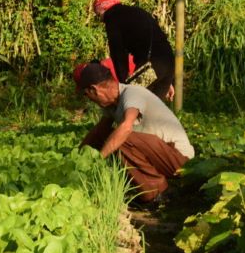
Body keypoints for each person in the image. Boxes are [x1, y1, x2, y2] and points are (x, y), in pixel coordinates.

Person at [74, 62, 194, 204]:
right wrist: (76, 157)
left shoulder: (132, 94)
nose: (89, 100)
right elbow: (98, 132)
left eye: (86, 95)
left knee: (122, 137)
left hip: (181, 161)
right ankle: (145, 185)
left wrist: (99, 159)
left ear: (94, 90)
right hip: (162, 154)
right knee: (106, 135)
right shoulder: (112, 105)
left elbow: (126, 127)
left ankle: (156, 192)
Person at [94, 0, 175, 100]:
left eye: (99, 15)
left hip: (151, 67)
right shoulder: (137, 12)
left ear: (103, 9)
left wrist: (124, 82)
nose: (102, 20)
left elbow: (118, 53)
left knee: (129, 100)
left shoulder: (113, 18)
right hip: (169, 65)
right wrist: (169, 80)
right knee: (151, 110)